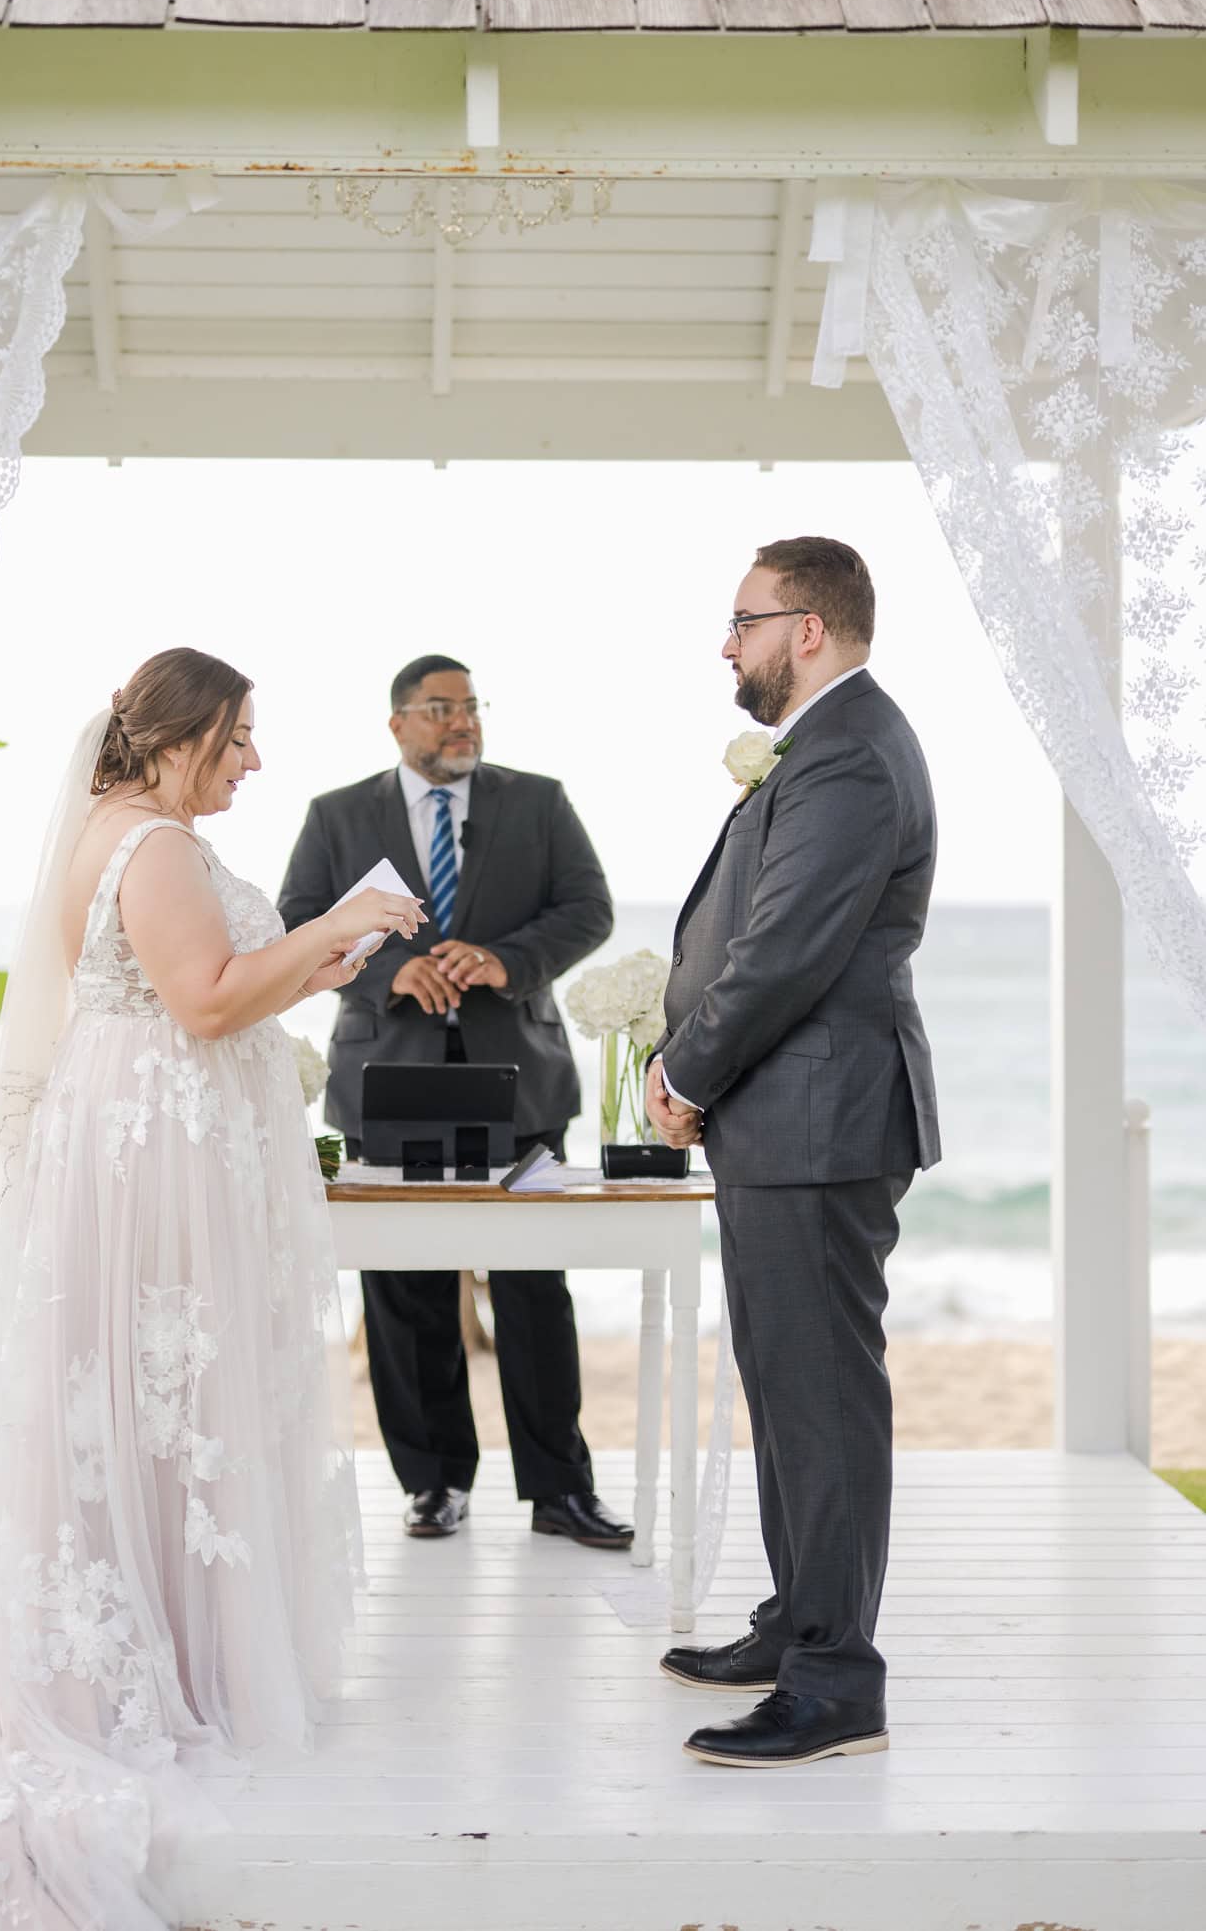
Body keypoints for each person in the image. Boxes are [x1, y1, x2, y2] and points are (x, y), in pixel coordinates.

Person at [0, 648, 424, 1931]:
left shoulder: (126, 832)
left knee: (142, 1400)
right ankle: (155, 1665)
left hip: (145, 1139)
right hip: (157, 1154)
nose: (255, 760)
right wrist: (338, 925)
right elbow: (198, 1003)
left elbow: (208, 994)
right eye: (241, 737)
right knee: (162, 1393)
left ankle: (163, 1642)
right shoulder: (158, 848)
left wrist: (310, 967)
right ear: (184, 735)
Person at [647, 540, 940, 1770]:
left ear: (806, 628)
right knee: (786, 1393)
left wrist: (682, 1073)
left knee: (819, 1402)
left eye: (742, 620)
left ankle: (835, 1683)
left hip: (817, 1123)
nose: (727, 643)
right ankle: (797, 1619)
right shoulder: (825, 746)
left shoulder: (851, 758)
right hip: (787, 1124)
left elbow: (783, 954)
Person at [278, 654, 629, 1550]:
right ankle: (433, 1482)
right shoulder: (336, 815)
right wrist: (397, 971)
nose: (460, 722)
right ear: (397, 723)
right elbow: (298, 922)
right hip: (386, 1077)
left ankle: (560, 1490)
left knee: (533, 1288)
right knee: (405, 1290)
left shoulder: (540, 802)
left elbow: (589, 909)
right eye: (440, 708)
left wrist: (507, 961)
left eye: (470, 706)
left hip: (523, 1081)